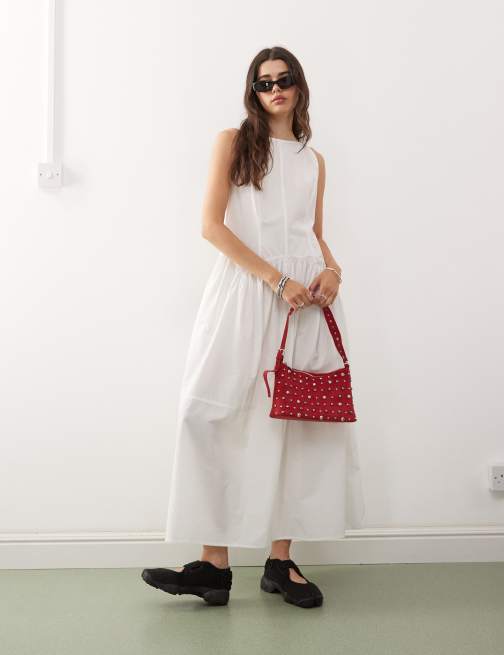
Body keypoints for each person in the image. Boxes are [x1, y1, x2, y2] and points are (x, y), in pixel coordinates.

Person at [141, 45, 365, 609]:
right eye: (264, 82)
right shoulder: (234, 142)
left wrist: (334, 271)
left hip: (305, 301)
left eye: (284, 79)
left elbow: (313, 234)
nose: (275, 89)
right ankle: (212, 565)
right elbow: (212, 227)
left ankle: (280, 561)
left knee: (293, 423)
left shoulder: (314, 160)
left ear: (299, 86)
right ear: (253, 91)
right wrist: (273, 278)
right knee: (209, 411)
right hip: (247, 290)